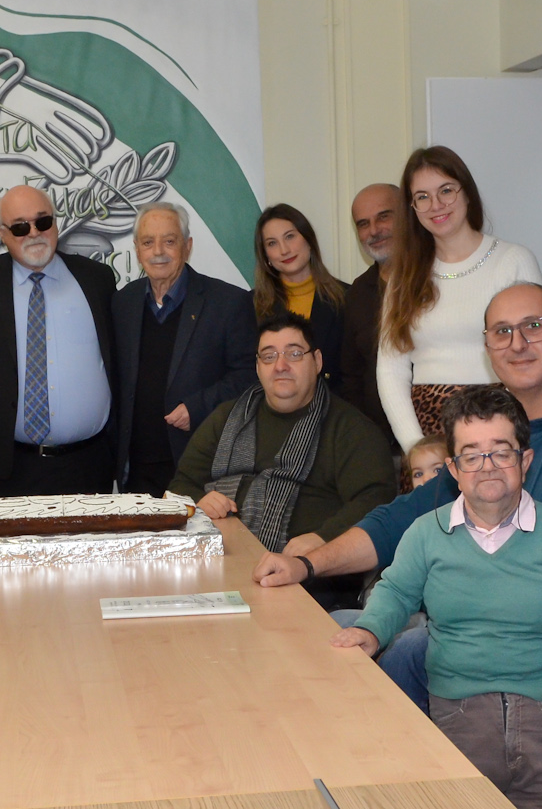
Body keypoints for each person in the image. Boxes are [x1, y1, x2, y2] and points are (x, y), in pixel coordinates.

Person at [257, 282, 542, 710]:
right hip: (460, 631)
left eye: (534, 327)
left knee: (407, 649)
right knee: (338, 627)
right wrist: (307, 564)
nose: (517, 343)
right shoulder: (486, 440)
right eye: (502, 332)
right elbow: (399, 520)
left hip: (533, 654)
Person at [331, 386, 542, 809]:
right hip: (458, 725)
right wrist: (370, 629)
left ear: (525, 461)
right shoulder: (426, 534)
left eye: (501, 452)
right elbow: (397, 591)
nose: (487, 466)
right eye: (471, 455)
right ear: (453, 469)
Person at [170, 311, 397, 604]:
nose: (280, 366)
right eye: (268, 356)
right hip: (215, 566)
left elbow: (376, 500)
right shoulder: (226, 418)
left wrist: (324, 539)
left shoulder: (352, 429)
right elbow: (180, 485)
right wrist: (198, 501)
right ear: (257, 366)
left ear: (317, 361)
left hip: (311, 584)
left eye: (294, 354)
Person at [377, 146, 542, 450]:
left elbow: (538, 351)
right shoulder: (403, 277)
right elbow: (390, 370)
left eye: (446, 190)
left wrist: (508, 436)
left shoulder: (513, 260)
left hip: (502, 424)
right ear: (412, 208)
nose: (436, 205)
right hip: (428, 432)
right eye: (422, 197)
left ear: (467, 193)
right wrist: (416, 447)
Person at [0, 185, 117, 497]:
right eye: (20, 227)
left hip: (89, 463)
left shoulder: (97, 279)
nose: (34, 233)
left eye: (43, 222)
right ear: (2, 233)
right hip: (9, 464)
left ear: (55, 223)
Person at [112, 202, 257, 496]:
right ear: (137, 250)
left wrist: (198, 406)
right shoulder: (123, 302)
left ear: (187, 246)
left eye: (169, 241)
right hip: (136, 472)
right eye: (148, 242)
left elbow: (249, 377)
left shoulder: (228, 303)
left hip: (201, 469)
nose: (158, 251)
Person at [252, 204, 346, 393]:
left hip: (335, 405)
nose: (284, 250)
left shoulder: (347, 298)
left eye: (290, 237)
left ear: (308, 240)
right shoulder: (250, 306)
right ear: (266, 256)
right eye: (272, 243)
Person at [339, 183, 402, 441]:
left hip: (441, 440)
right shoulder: (357, 294)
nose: (374, 230)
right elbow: (351, 376)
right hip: (382, 444)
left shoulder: (439, 277)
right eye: (363, 224)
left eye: (384, 217)